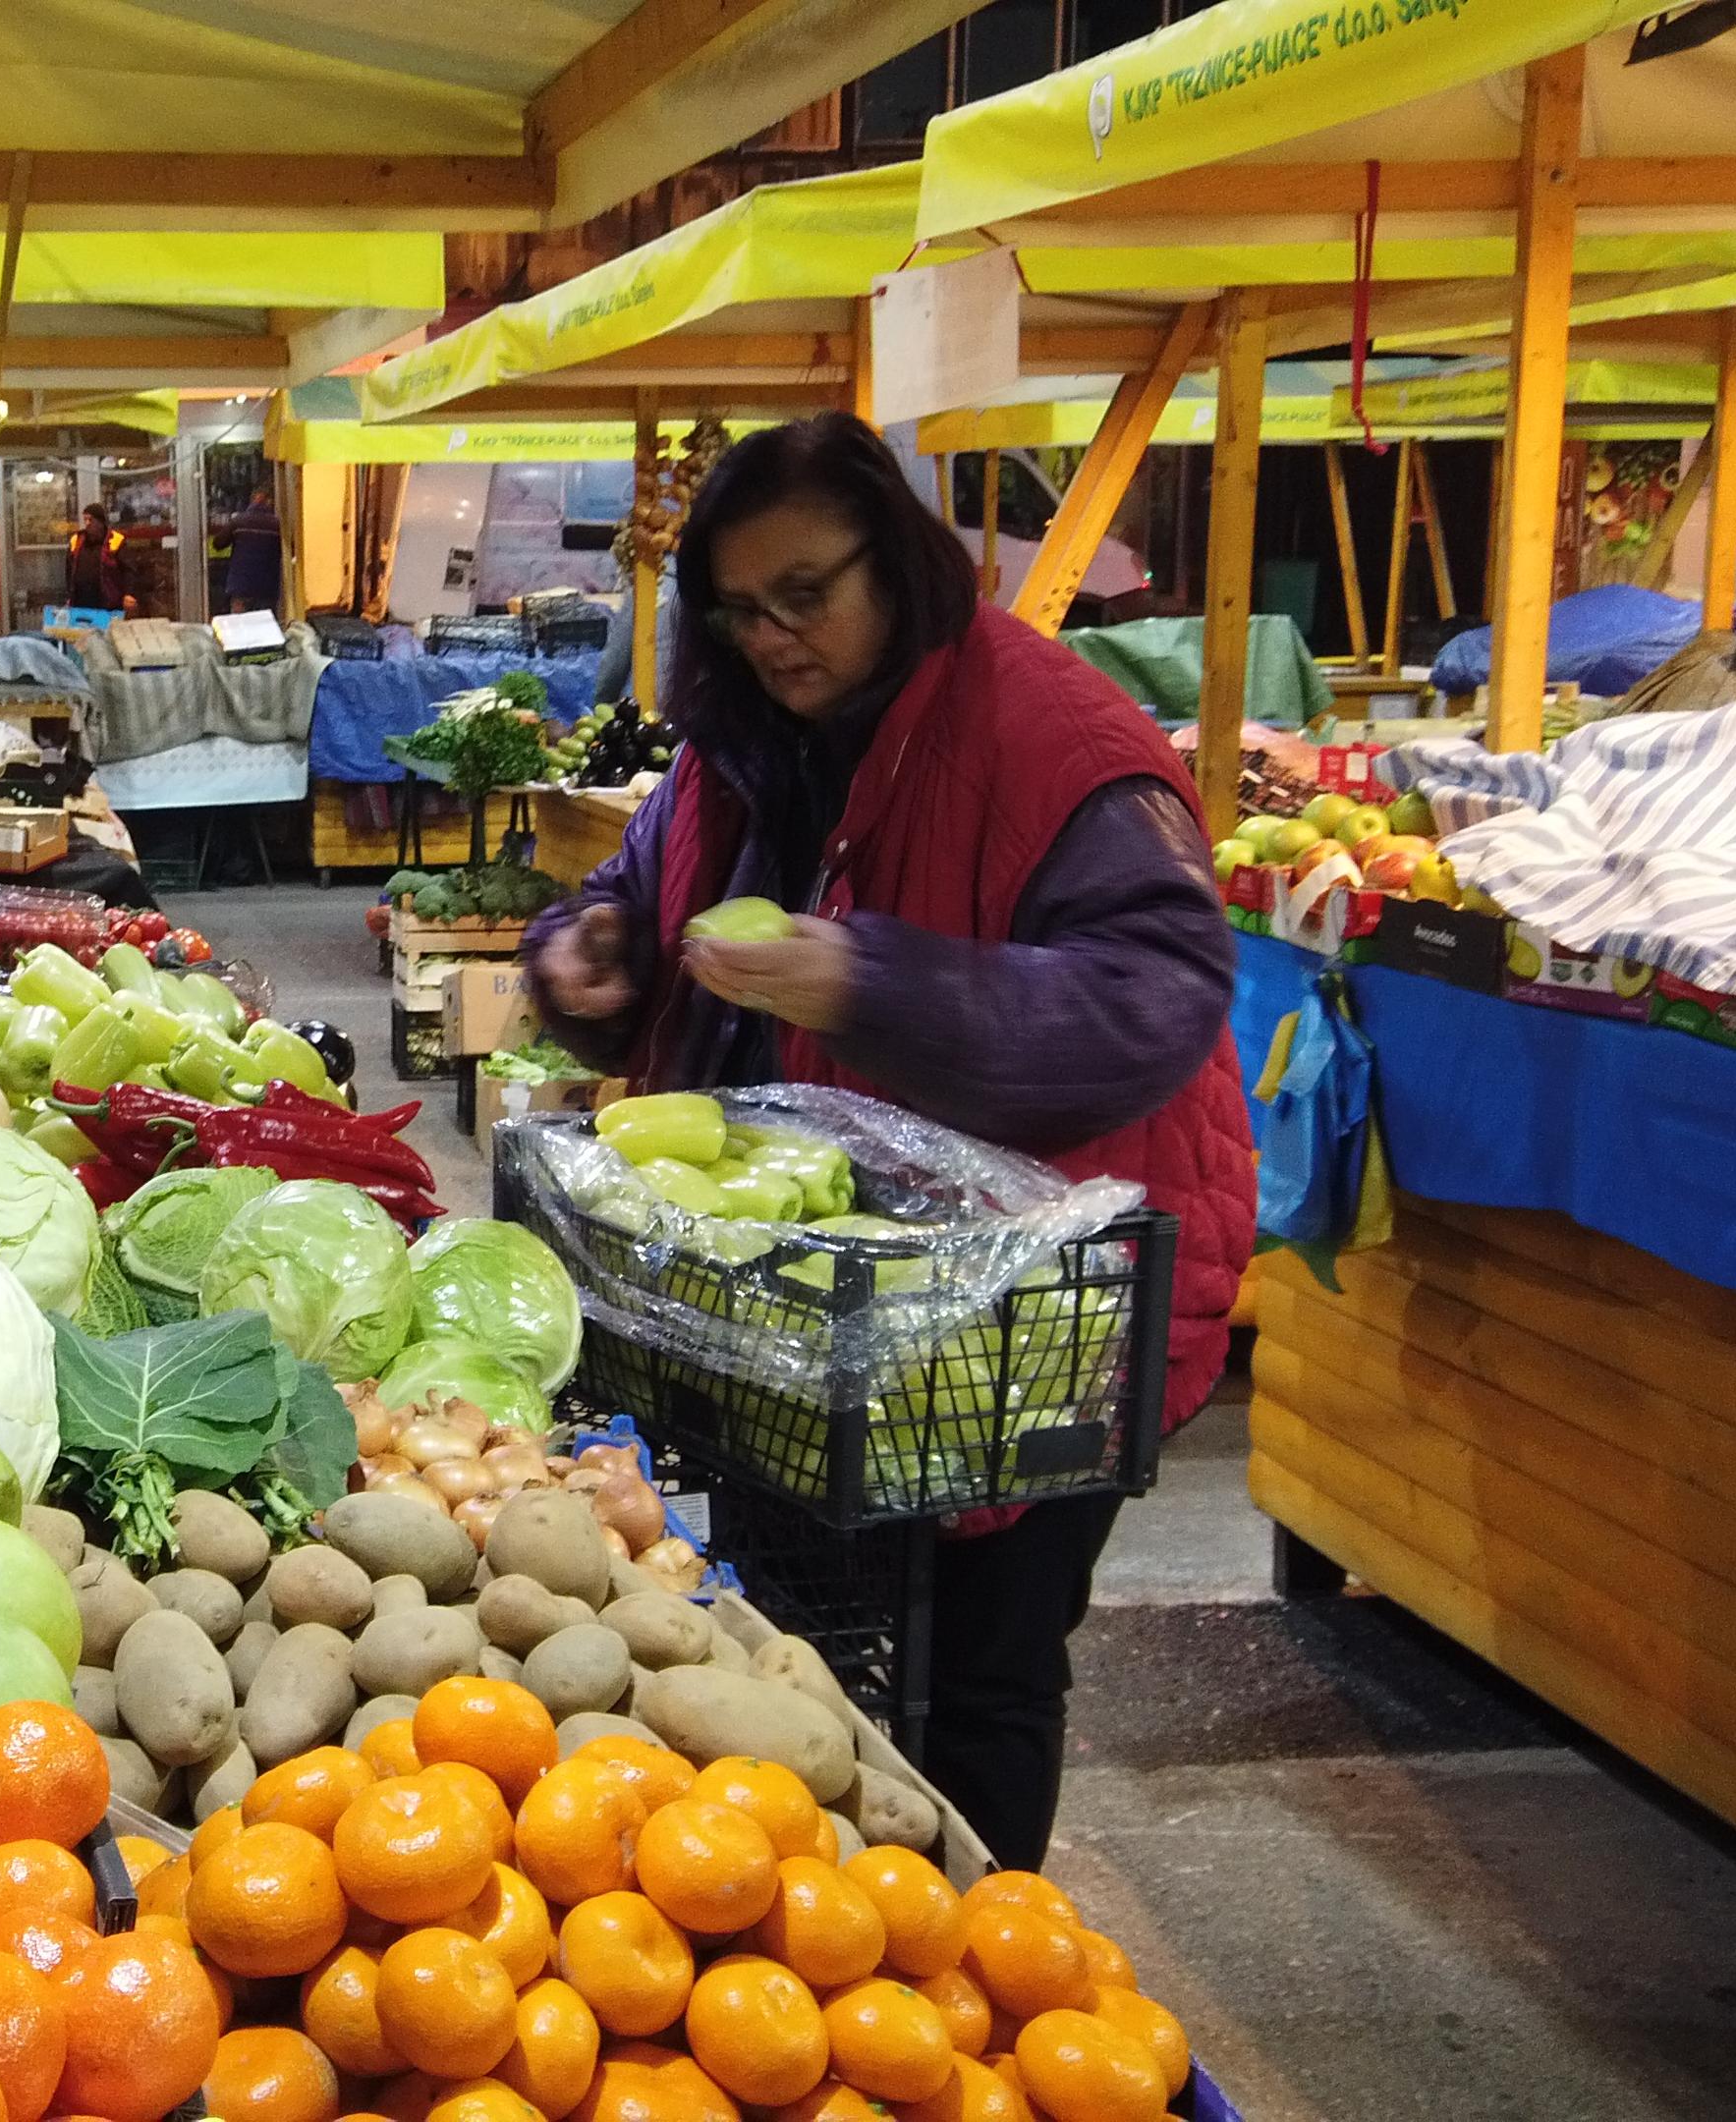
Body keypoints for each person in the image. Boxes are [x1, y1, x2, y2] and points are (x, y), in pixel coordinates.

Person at [524, 413, 1248, 1870]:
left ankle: (976, 1969)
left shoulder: (1056, 738)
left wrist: (872, 981)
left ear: (899, 561)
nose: (774, 634)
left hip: (1028, 1327)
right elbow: (632, 888)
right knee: (801, 1643)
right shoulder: (740, 743)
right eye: (739, 607)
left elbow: (1160, 997)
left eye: (808, 594)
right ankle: (826, 1941)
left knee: (978, 1664)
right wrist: (590, 956)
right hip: (820, 1306)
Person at [65, 504, 121, 610]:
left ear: (100, 522)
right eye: (85, 520)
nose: (87, 523)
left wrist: (129, 594)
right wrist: (69, 595)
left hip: (107, 601)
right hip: (80, 600)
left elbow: (128, 571)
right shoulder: (76, 540)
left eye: (91, 520)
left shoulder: (115, 540)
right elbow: (69, 570)